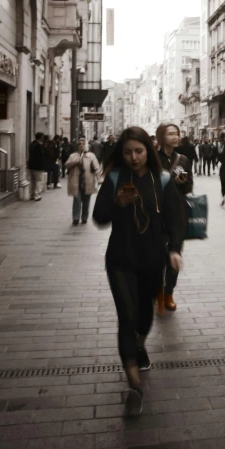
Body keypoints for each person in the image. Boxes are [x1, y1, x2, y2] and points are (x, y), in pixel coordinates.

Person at [93, 127, 184, 417]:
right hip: (121, 258)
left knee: (144, 316)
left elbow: (176, 218)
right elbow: (98, 217)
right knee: (127, 316)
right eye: (128, 152)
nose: (133, 157)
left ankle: (139, 345)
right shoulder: (115, 178)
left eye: (139, 151)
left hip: (153, 259)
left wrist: (174, 250)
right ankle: (134, 383)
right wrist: (116, 204)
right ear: (121, 153)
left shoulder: (164, 180)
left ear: (149, 150)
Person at [156, 122, 193, 311]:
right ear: (162, 136)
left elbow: (188, 188)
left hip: (178, 214)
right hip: (157, 214)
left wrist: (182, 180)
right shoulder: (152, 158)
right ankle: (158, 292)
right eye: (170, 134)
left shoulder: (183, 160)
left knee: (175, 254)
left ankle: (169, 292)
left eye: (176, 133)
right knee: (158, 257)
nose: (175, 137)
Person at [65, 138, 102, 225]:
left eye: (83, 144)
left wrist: (99, 178)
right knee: (77, 200)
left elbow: (97, 167)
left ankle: (84, 217)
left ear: (86, 145)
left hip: (87, 181)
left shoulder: (91, 156)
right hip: (75, 181)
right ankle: (76, 218)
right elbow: (66, 165)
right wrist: (76, 160)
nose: (81, 145)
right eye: (80, 144)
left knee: (86, 201)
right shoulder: (73, 155)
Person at [27, 132, 46, 201]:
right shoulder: (39, 146)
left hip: (31, 165)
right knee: (39, 180)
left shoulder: (31, 144)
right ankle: (37, 195)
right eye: (43, 137)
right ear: (40, 137)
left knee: (32, 181)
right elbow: (41, 156)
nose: (43, 138)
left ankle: (31, 194)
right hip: (38, 166)